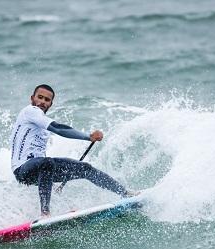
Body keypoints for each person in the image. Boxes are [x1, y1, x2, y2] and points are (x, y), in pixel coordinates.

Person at [10, 84, 135, 218]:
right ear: (32, 98)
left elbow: (38, 154)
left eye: (47, 100)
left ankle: (125, 193)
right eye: (40, 97)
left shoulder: (41, 127)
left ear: (51, 104)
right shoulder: (30, 111)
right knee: (47, 163)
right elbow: (58, 128)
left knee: (85, 168)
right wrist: (88, 137)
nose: (42, 102)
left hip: (38, 167)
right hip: (22, 170)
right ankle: (45, 214)